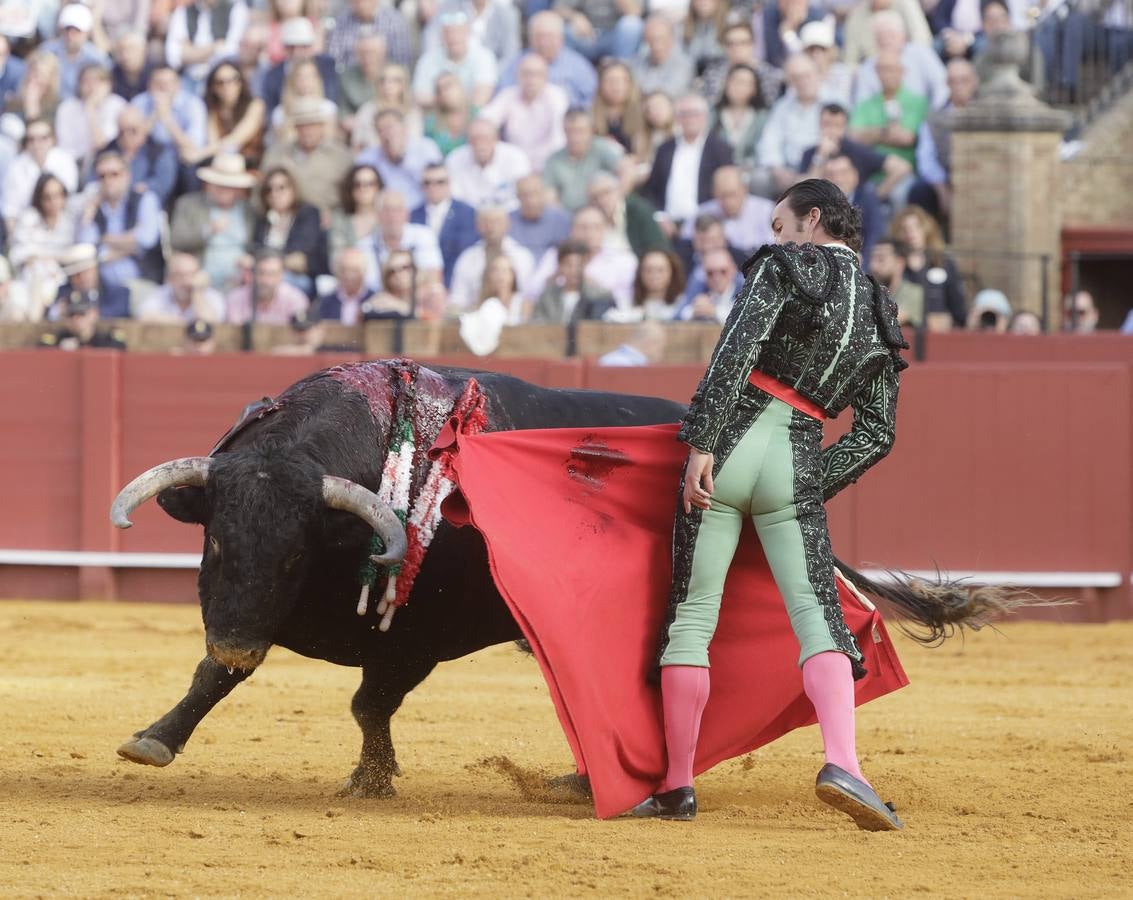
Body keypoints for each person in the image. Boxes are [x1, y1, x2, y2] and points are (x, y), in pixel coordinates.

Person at [630, 179, 908, 831]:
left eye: (781, 226)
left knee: (693, 616)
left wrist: (702, 439)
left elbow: (736, 350)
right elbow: (877, 434)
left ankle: (676, 785)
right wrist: (812, 482)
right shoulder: (877, 307)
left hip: (730, 443)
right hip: (796, 458)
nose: (775, 238)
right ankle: (844, 764)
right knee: (817, 620)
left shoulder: (785, 267)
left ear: (811, 221)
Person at [640, 93, 733, 238]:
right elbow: (652, 190)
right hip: (667, 223)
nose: (690, 119)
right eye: (684, 114)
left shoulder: (720, 149)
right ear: (677, 119)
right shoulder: (664, 149)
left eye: (695, 114)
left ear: (705, 117)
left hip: (706, 225)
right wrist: (659, 217)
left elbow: (726, 189)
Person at [77, 149, 165, 291]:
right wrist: (131, 246)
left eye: (114, 174)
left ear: (127, 176)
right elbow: (86, 249)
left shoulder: (145, 199)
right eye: (102, 176)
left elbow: (146, 239)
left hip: (142, 284)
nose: (108, 180)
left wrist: (104, 240)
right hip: (103, 290)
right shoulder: (93, 207)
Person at [170, 153, 257, 291]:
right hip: (200, 277)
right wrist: (207, 230)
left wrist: (249, 260)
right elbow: (177, 240)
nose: (224, 190)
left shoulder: (248, 210)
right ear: (209, 184)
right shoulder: (189, 204)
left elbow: (255, 244)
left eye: (229, 186)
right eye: (219, 184)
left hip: (239, 279)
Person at [479, 52, 569, 171]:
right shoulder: (508, 94)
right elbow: (485, 121)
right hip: (513, 165)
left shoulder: (556, 96)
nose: (531, 80)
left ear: (546, 77)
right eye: (526, 74)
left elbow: (559, 139)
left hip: (548, 165)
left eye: (537, 74)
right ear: (518, 76)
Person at [252, 166, 327, 297]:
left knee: (273, 283)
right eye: (268, 190)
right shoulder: (264, 218)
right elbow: (255, 248)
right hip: (266, 275)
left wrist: (267, 260)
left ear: (293, 189)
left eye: (281, 187)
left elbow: (301, 255)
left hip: (299, 279)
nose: (274, 193)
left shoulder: (308, 213)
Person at [496, 13, 597, 109]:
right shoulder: (516, 63)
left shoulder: (578, 65)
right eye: (539, 36)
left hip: (566, 122)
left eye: (550, 36)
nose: (544, 42)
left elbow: (592, 99)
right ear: (530, 39)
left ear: (561, 38)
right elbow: (502, 96)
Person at [890, 204, 965, 328]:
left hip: (938, 332)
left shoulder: (943, 262)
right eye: (905, 229)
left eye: (916, 227)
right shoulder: (895, 264)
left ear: (926, 229)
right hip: (904, 331)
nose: (911, 233)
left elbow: (957, 306)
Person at [448, 205, 535, 312]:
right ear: (477, 226)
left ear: (507, 224)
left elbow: (527, 294)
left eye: (496, 222)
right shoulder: (467, 258)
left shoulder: (522, 256)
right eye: (485, 222)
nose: (491, 227)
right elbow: (458, 297)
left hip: (514, 317)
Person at [410, 162, 479, 288]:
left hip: (457, 284)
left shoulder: (467, 214)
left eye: (440, 182)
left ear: (449, 183)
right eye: (427, 183)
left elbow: (466, 253)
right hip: (421, 287)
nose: (433, 187)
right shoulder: (413, 216)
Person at [542, 110, 623, 212]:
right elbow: (549, 198)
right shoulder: (553, 160)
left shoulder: (602, 148)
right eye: (570, 131)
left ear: (591, 130)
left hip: (603, 213)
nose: (575, 137)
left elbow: (628, 170)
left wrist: (616, 195)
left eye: (580, 131)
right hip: (571, 219)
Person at [445, 117, 531, 210]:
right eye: (475, 139)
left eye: (485, 138)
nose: (480, 144)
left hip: (508, 216)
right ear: (468, 140)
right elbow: (455, 198)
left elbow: (522, 195)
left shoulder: (515, 157)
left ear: (496, 139)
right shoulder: (454, 159)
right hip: (469, 217)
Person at [529, 239, 616, 323]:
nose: (574, 270)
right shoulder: (548, 296)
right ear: (560, 265)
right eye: (568, 264)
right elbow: (538, 323)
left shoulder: (597, 295)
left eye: (579, 264)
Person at [225, 249, 309, 325]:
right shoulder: (236, 298)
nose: (265, 280)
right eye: (261, 273)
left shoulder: (295, 299)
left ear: (281, 275)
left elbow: (300, 336)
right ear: (253, 273)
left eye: (272, 274)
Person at [136, 252, 227, 322]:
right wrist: (181, 322)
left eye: (192, 274)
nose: (187, 281)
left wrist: (197, 293)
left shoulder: (212, 296)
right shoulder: (161, 293)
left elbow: (211, 322)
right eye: (180, 275)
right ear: (169, 278)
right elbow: (143, 316)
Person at [508, 173, 572, 260]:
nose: (530, 200)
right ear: (517, 197)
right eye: (525, 195)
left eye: (535, 194)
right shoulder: (507, 221)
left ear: (543, 194)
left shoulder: (562, 220)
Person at [37, 291, 127, 349]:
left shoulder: (106, 340)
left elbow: (119, 349)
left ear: (94, 314)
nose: (76, 319)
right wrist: (60, 350)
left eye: (81, 314)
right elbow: (42, 353)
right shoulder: (58, 339)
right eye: (71, 314)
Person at [672, 246, 738, 323]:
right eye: (710, 273)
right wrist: (694, 310)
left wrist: (714, 312)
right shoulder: (699, 288)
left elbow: (745, 318)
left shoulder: (744, 288)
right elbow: (677, 316)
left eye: (723, 271)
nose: (716, 277)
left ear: (733, 270)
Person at [868, 237, 924, 327]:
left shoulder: (913, 293)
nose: (873, 266)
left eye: (881, 259)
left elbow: (890, 322)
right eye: (872, 259)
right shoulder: (869, 293)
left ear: (899, 263)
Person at [317, 246, 375, 324]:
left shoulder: (374, 300)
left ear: (363, 273)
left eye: (354, 271)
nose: (348, 276)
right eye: (343, 270)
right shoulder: (326, 302)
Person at [598, 319, 667, 365]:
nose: (661, 353)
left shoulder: (611, 359)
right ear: (650, 343)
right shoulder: (619, 363)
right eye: (661, 347)